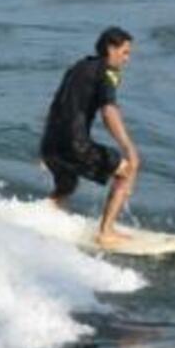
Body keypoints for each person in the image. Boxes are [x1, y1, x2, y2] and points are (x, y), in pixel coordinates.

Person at [41, 26, 140, 248]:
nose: (127, 59)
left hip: (51, 142)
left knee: (67, 185)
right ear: (110, 48)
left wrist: (48, 148)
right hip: (75, 144)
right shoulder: (107, 72)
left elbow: (55, 104)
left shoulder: (78, 66)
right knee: (127, 170)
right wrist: (129, 148)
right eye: (125, 52)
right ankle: (106, 232)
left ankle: (42, 218)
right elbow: (109, 111)